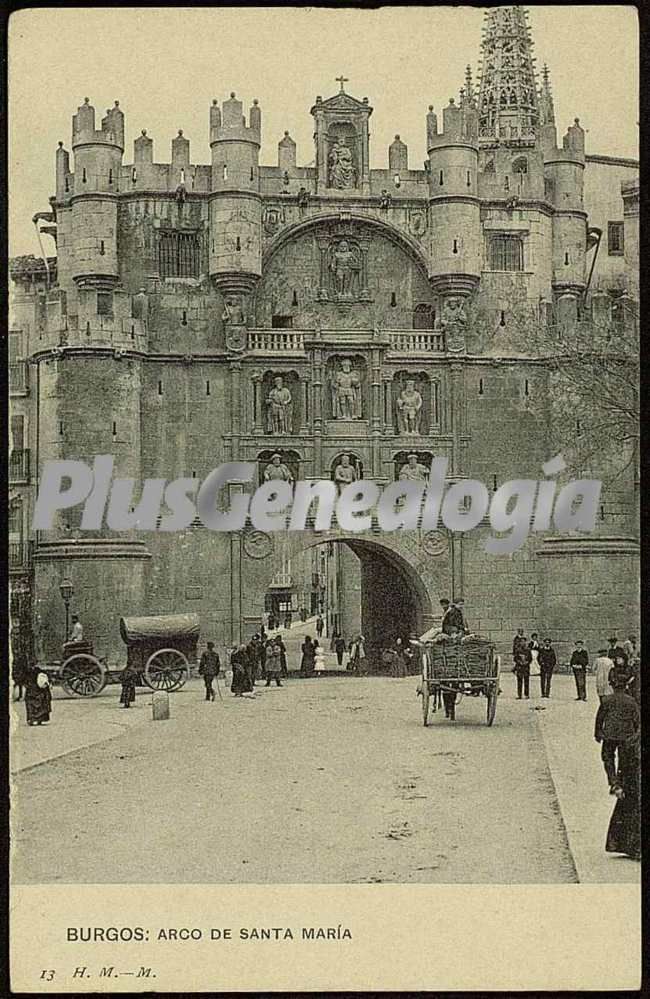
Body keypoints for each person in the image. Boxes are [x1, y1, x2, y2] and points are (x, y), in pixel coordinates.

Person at [594, 667, 640, 860]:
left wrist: (598, 734)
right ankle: (618, 780)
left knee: (607, 758)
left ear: (612, 685)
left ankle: (614, 782)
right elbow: (637, 721)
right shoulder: (631, 701)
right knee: (625, 763)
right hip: (627, 738)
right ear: (627, 685)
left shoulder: (607, 700)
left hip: (610, 736)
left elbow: (599, 719)